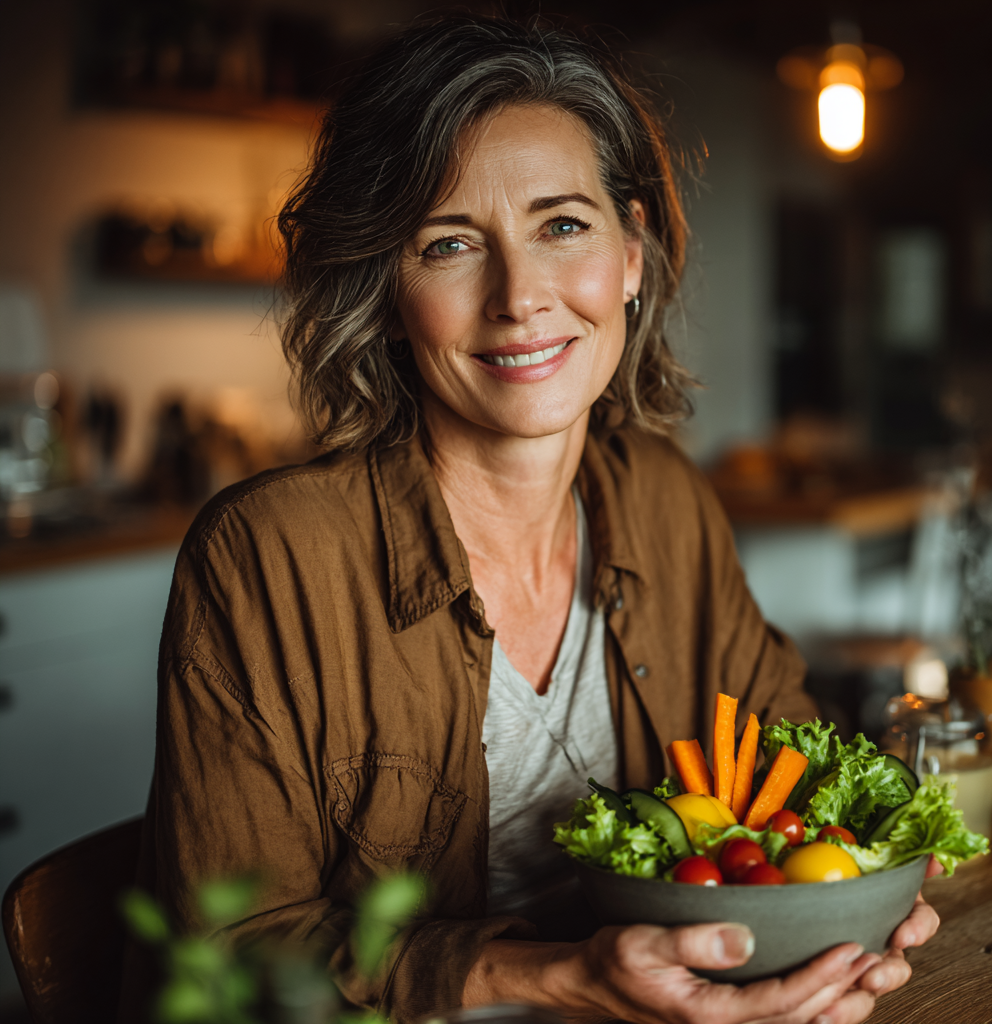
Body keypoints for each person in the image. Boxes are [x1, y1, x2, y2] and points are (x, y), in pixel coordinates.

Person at [122, 16, 939, 1024]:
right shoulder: (267, 557)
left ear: (630, 251)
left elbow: (796, 761)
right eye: (450, 243)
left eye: (561, 224)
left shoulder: (664, 498)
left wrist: (858, 904)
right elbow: (229, 961)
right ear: (387, 288)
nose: (519, 298)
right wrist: (557, 976)